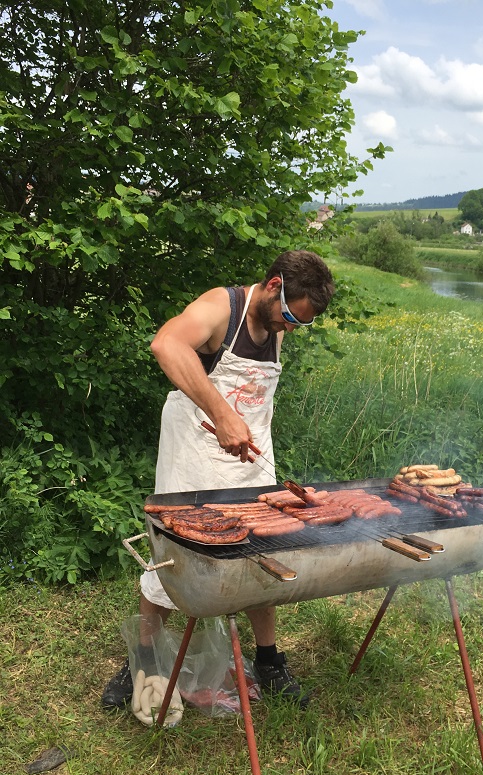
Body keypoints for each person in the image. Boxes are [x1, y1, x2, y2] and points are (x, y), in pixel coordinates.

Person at [102, 249, 335, 711]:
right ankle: (142, 660)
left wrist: (239, 425)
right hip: (195, 451)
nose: (290, 328)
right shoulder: (220, 308)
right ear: (274, 285)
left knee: (261, 554)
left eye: (300, 324)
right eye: (290, 316)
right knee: (173, 557)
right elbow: (166, 344)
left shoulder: (275, 325)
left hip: (249, 453)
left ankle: (268, 662)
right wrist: (222, 413)